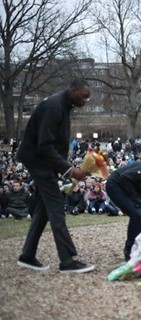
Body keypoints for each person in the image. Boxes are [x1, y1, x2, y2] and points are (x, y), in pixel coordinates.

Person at [15, 79, 94, 273]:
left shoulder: (63, 105)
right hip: (38, 161)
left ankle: (27, 256)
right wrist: (69, 170)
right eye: (84, 95)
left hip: (44, 161)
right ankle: (67, 261)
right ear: (72, 89)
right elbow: (44, 145)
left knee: (44, 207)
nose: (87, 99)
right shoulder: (54, 107)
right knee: (56, 206)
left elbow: (53, 143)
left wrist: (67, 166)